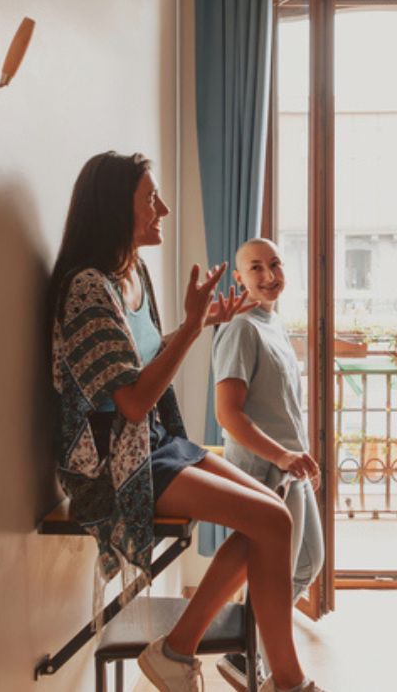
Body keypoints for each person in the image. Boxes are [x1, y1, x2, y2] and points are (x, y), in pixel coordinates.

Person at [49, 151, 326, 692]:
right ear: (114, 208)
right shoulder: (87, 288)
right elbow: (130, 400)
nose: (164, 209)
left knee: (275, 517)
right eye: (151, 199)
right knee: (270, 523)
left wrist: (196, 323)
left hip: (152, 442)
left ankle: (186, 652)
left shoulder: (132, 275)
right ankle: (278, 680)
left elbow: (144, 366)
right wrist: (195, 328)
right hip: (112, 462)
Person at [212, 238, 324, 691]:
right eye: (255, 268)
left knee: (307, 562)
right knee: (277, 572)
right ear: (239, 278)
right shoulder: (241, 328)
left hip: (288, 470)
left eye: (274, 264)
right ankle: (252, 657)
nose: (268, 275)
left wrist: (295, 457)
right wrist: (280, 456)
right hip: (263, 473)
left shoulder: (272, 323)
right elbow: (228, 413)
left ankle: (246, 647)